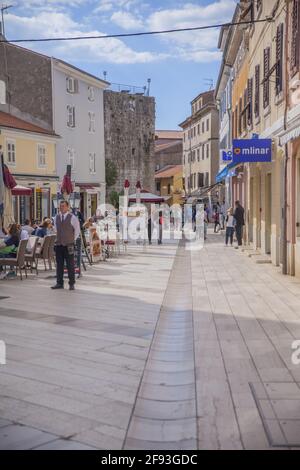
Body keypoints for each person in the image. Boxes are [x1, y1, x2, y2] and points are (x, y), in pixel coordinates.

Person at [51, 200, 80, 291]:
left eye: (63, 206)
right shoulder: (56, 217)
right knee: (59, 265)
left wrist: (71, 240)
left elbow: (77, 231)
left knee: (70, 265)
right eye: (60, 206)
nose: (61, 208)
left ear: (68, 207)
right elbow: (55, 229)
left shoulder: (73, 217)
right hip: (59, 244)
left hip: (69, 245)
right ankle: (59, 283)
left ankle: (71, 283)